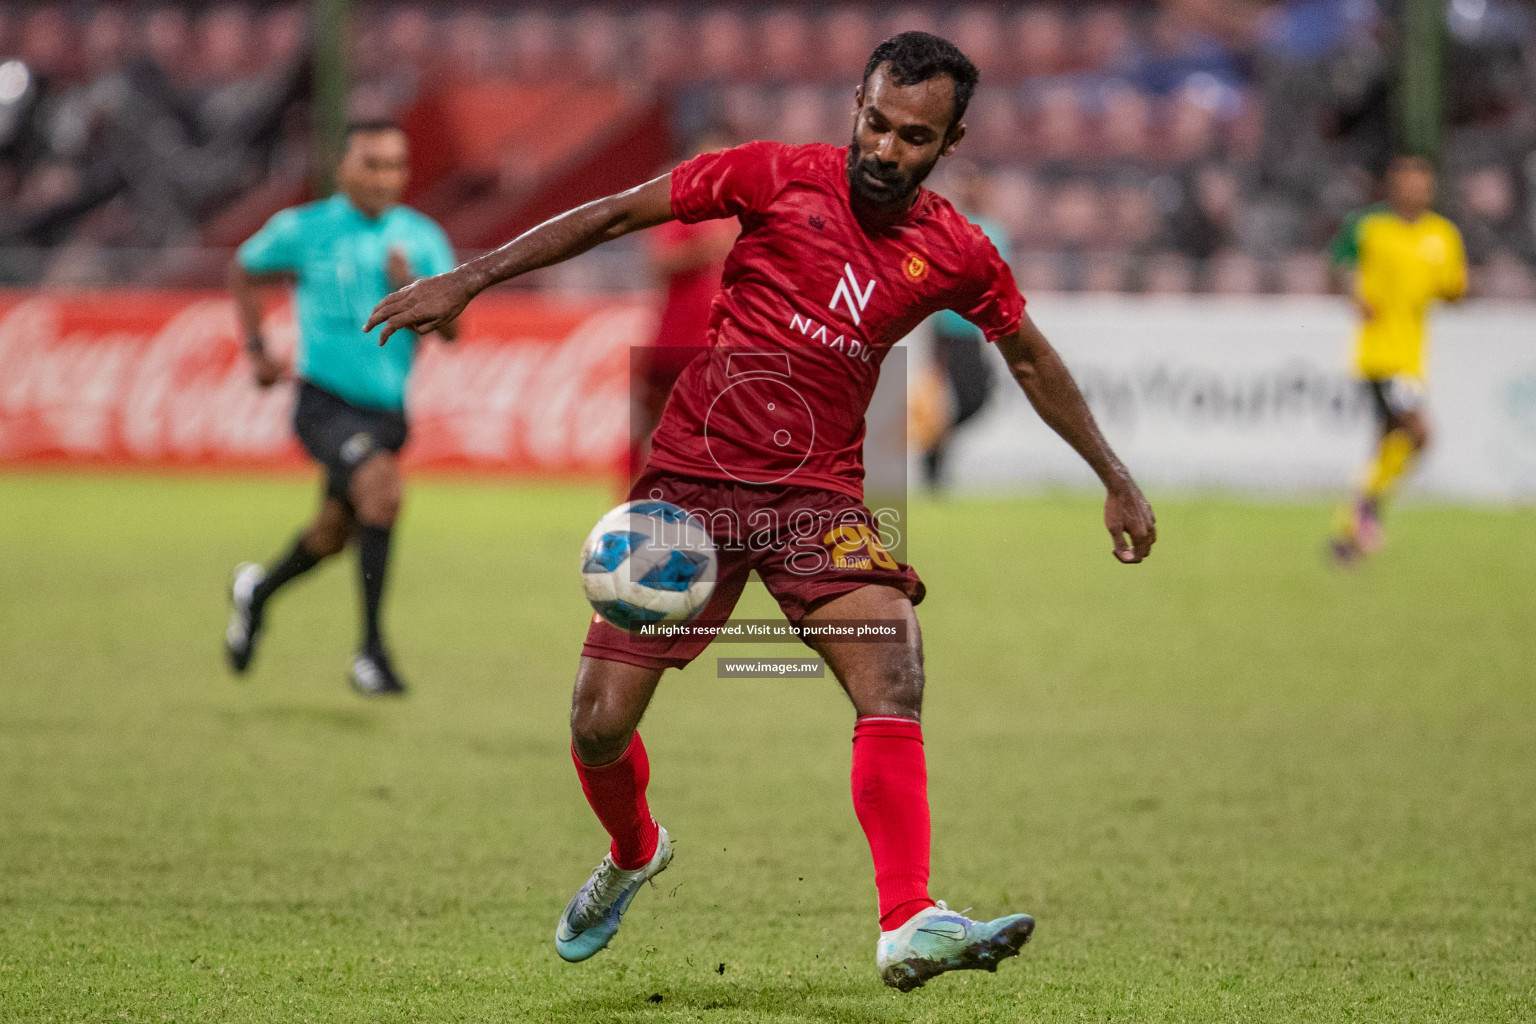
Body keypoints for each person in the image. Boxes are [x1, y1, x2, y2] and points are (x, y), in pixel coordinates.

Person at [366, 32, 1155, 990]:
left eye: (914, 136)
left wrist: (1112, 473)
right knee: (597, 725)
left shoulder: (954, 250)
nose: (885, 149)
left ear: (949, 143)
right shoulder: (772, 176)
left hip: (815, 497)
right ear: (854, 107)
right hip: (689, 483)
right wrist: (473, 276)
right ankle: (633, 851)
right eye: (875, 122)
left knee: (892, 663)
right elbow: (619, 212)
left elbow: (1027, 356)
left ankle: (907, 918)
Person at [224, 119, 459, 696]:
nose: (386, 177)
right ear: (344, 168)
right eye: (373, 164)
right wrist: (258, 350)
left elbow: (455, 331)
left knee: (333, 533)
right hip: (324, 401)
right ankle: (371, 654)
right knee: (382, 490)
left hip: (386, 411)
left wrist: (416, 293)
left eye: (396, 165)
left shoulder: (422, 238)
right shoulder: (306, 228)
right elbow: (244, 268)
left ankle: (257, 592)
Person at [1327, 155, 1467, 564]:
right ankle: (1362, 509)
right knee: (1418, 433)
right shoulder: (1369, 226)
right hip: (1378, 355)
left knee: (1388, 445)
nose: (1415, 189)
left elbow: (1456, 288)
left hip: (1413, 357)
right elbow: (1337, 266)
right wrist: (1354, 295)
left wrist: (1452, 294)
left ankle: (1350, 535)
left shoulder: (1442, 234)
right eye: (1407, 182)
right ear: (1393, 186)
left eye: (1422, 182)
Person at [629, 136, 739, 481]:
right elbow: (657, 263)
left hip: (721, 343)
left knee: (720, 433)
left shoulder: (737, 211)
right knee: (652, 425)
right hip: (675, 339)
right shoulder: (680, 206)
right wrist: (704, 251)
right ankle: (631, 506)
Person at [915, 158, 1008, 489]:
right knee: (970, 398)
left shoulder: (988, 228)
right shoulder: (952, 226)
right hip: (952, 329)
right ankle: (934, 457)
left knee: (975, 398)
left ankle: (935, 451)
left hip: (971, 331)